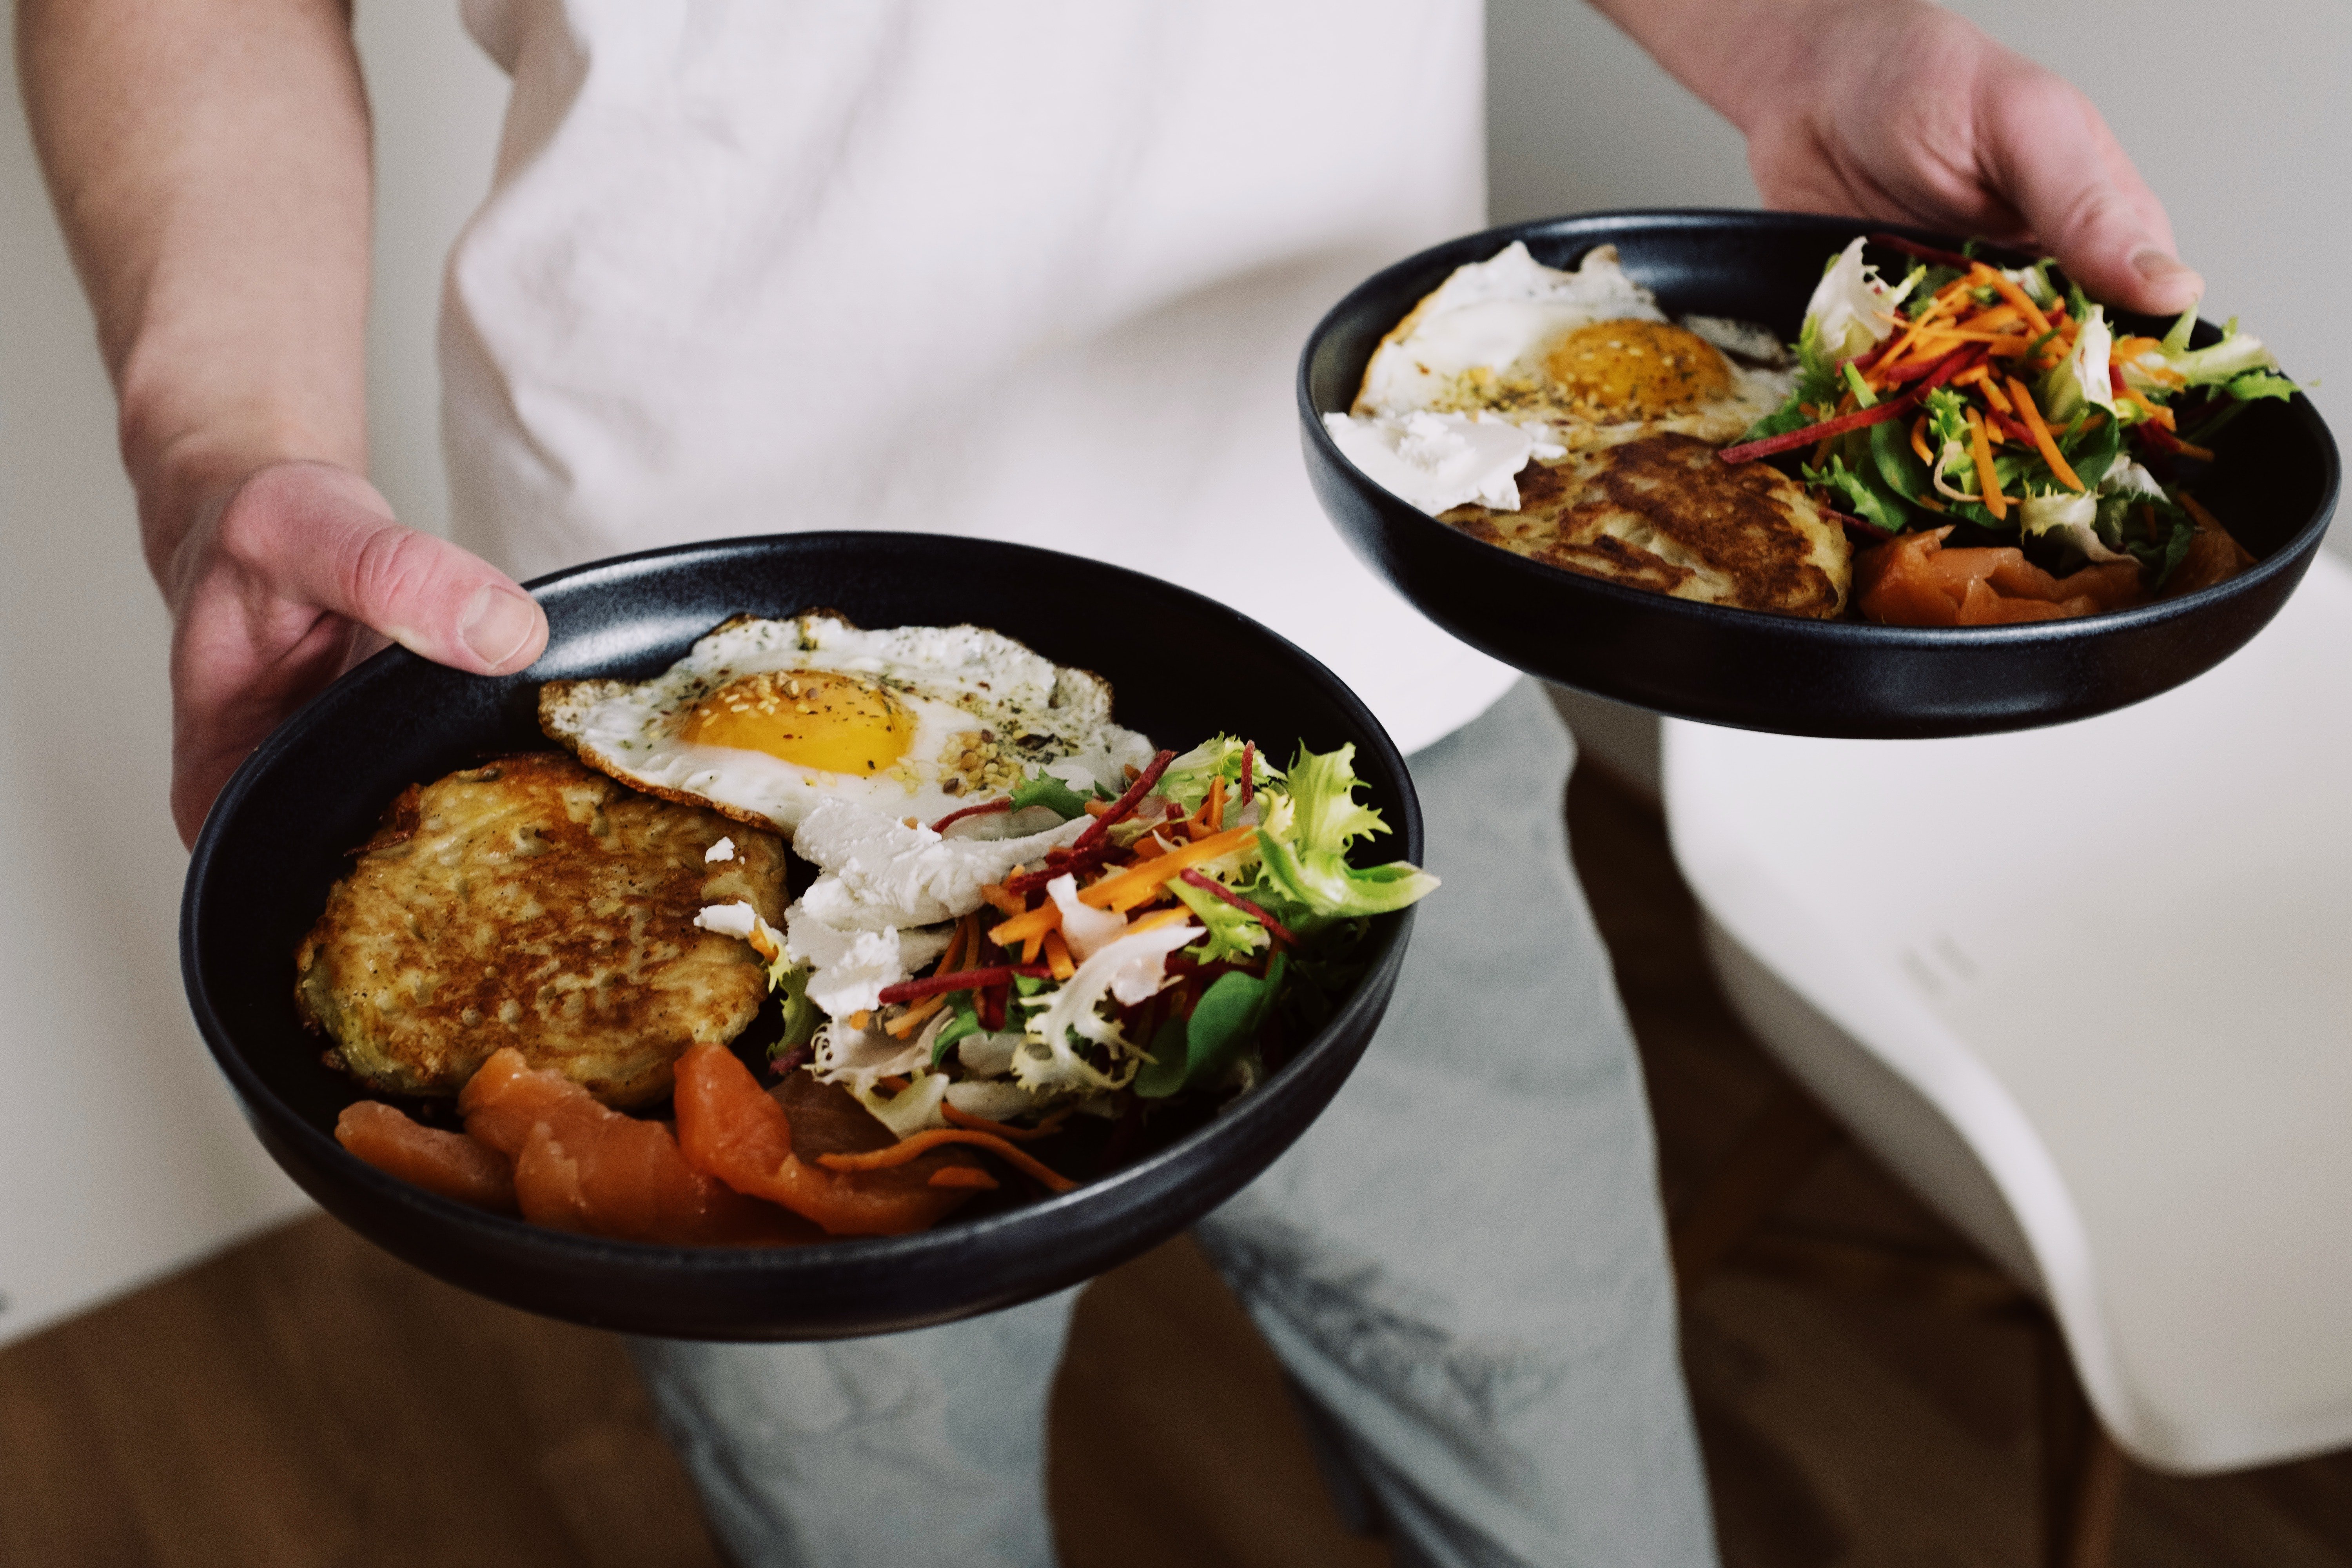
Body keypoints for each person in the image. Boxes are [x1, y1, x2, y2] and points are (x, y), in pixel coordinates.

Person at [20, 2, 2198, 1564]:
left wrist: (1815, 39)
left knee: (1573, 1484)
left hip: (1367, 694)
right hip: (688, 772)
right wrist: (222, 429)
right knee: (867, 1519)